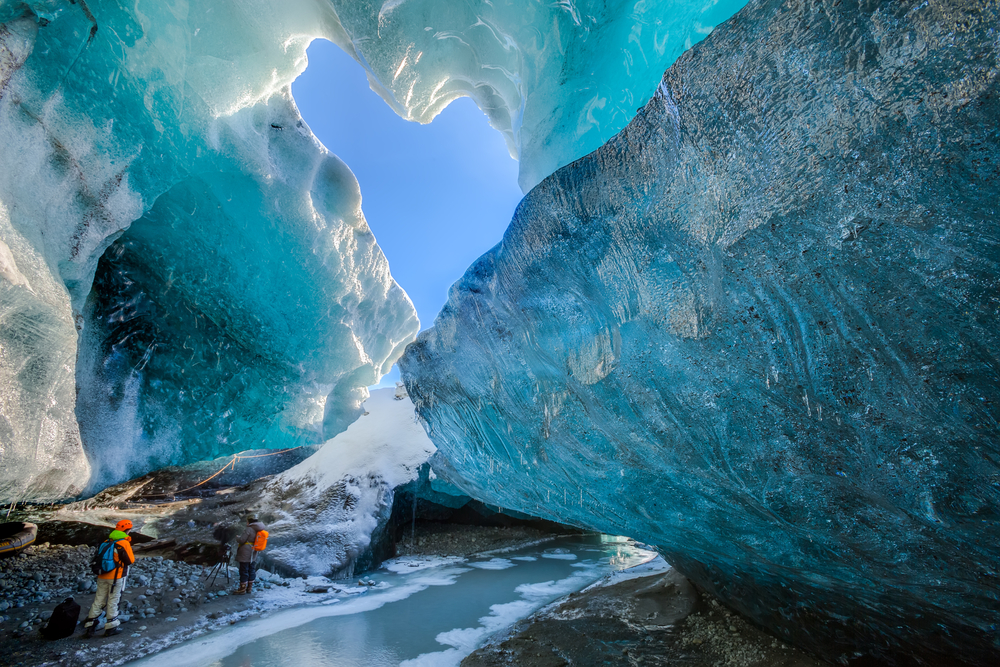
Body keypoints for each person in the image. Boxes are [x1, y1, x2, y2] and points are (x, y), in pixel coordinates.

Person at [83, 519, 135, 637]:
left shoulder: (106, 541)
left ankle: (90, 626)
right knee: (113, 600)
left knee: (99, 599)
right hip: (116, 576)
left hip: (102, 575)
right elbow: (130, 560)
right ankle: (111, 627)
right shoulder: (124, 543)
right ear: (127, 530)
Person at [235, 516, 265, 595]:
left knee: (244, 569)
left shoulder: (249, 529)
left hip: (246, 551)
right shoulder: (259, 529)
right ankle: (249, 588)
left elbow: (242, 540)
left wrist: (237, 538)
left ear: (249, 521)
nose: (246, 523)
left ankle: (242, 589)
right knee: (251, 569)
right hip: (254, 551)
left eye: (247, 521)